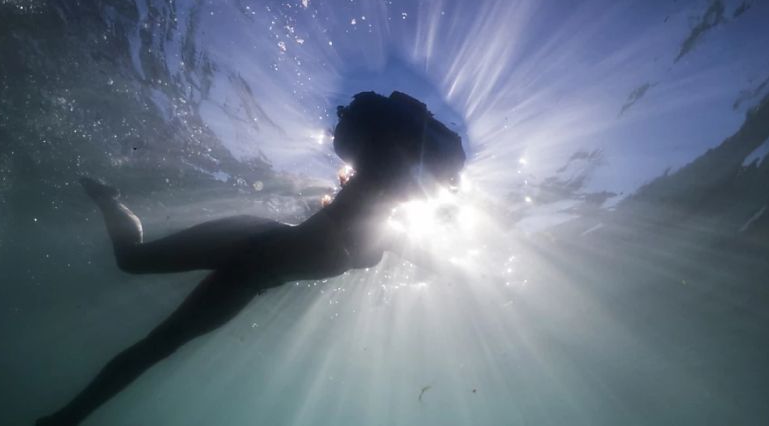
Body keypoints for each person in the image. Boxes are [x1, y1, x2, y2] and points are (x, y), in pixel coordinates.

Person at [36, 91, 465, 425]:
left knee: (159, 343)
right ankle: (110, 203)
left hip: (254, 280)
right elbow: (392, 187)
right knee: (134, 268)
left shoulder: (389, 232)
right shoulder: (373, 199)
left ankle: (68, 418)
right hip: (249, 240)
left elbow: (436, 258)